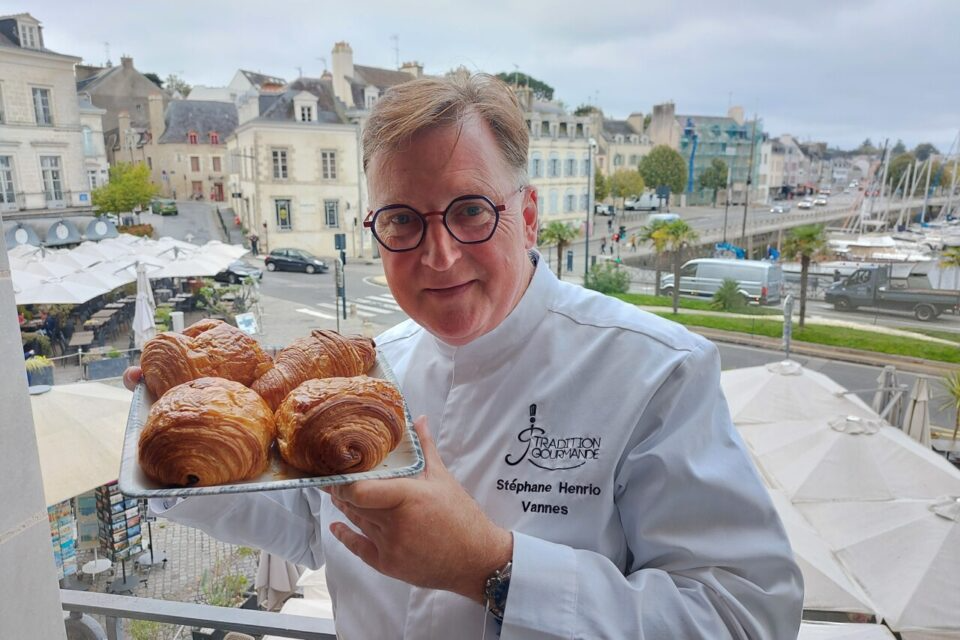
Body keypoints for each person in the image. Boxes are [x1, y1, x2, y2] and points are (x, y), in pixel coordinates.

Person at [125, 72, 802, 638]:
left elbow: (746, 615)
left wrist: (490, 567)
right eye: (402, 221)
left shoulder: (654, 371)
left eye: (471, 210)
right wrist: (165, 467)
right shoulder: (364, 378)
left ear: (529, 215)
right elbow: (311, 527)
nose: (438, 255)